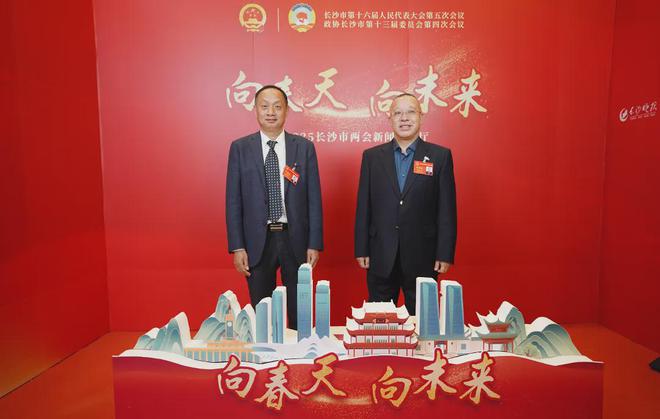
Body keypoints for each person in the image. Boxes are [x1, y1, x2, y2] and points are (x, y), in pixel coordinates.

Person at [226, 85, 323, 329]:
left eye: (277, 106)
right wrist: (237, 246)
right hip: (257, 241)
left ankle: (300, 350)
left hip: (295, 238)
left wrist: (314, 243)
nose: (271, 112)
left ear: (287, 110)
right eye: (265, 106)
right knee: (263, 312)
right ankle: (266, 351)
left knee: (300, 311)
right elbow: (233, 200)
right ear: (256, 110)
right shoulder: (240, 148)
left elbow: (314, 198)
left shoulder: (303, 147)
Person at [354, 93, 457, 315]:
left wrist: (444, 253)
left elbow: (446, 210)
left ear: (421, 116)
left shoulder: (440, 156)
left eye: (410, 112)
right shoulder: (372, 157)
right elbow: (364, 206)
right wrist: (361, 248)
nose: (404, 118)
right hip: (380, 254)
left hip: (424, 255)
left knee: (423, 320)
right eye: (397, 113)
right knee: (380, 321)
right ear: (389, 118)